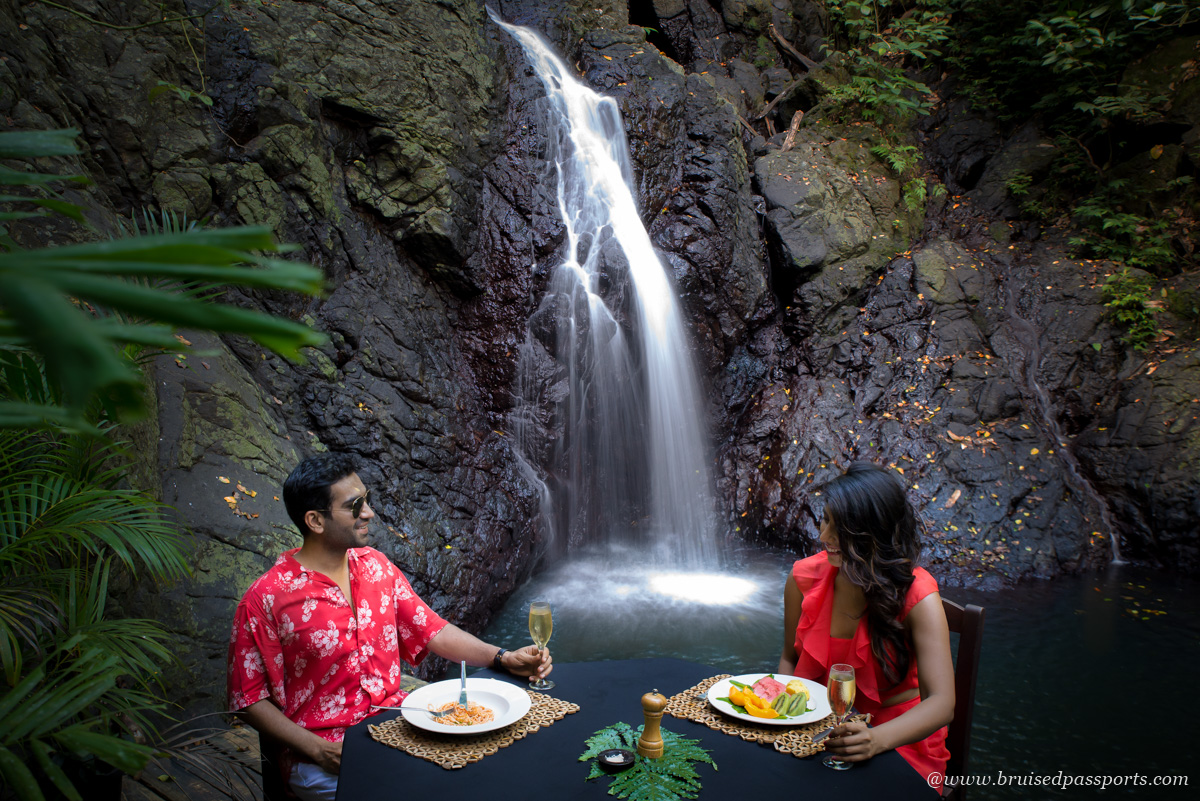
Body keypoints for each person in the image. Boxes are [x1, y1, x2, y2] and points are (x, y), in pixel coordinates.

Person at [228, 453, 552, 801]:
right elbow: (247, 699)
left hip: (398, 726)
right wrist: (319, 750)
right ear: (315, 521)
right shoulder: (267, 598)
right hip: (324, 754)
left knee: (492, 772)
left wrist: (502, 657)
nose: (368, 513)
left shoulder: (376, 567)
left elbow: (434, 630)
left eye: (366, 501)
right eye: (354, 506)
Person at [778, 461, 954, 784]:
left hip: (900, 743)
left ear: (872, 532)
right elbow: (790, 658)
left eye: (839, 529)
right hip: (820, 734)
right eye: (826, 520)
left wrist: (876, 739)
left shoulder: (919, 596)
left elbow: (942, 703)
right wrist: (783, 716)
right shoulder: (802, 579)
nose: (824, 535)